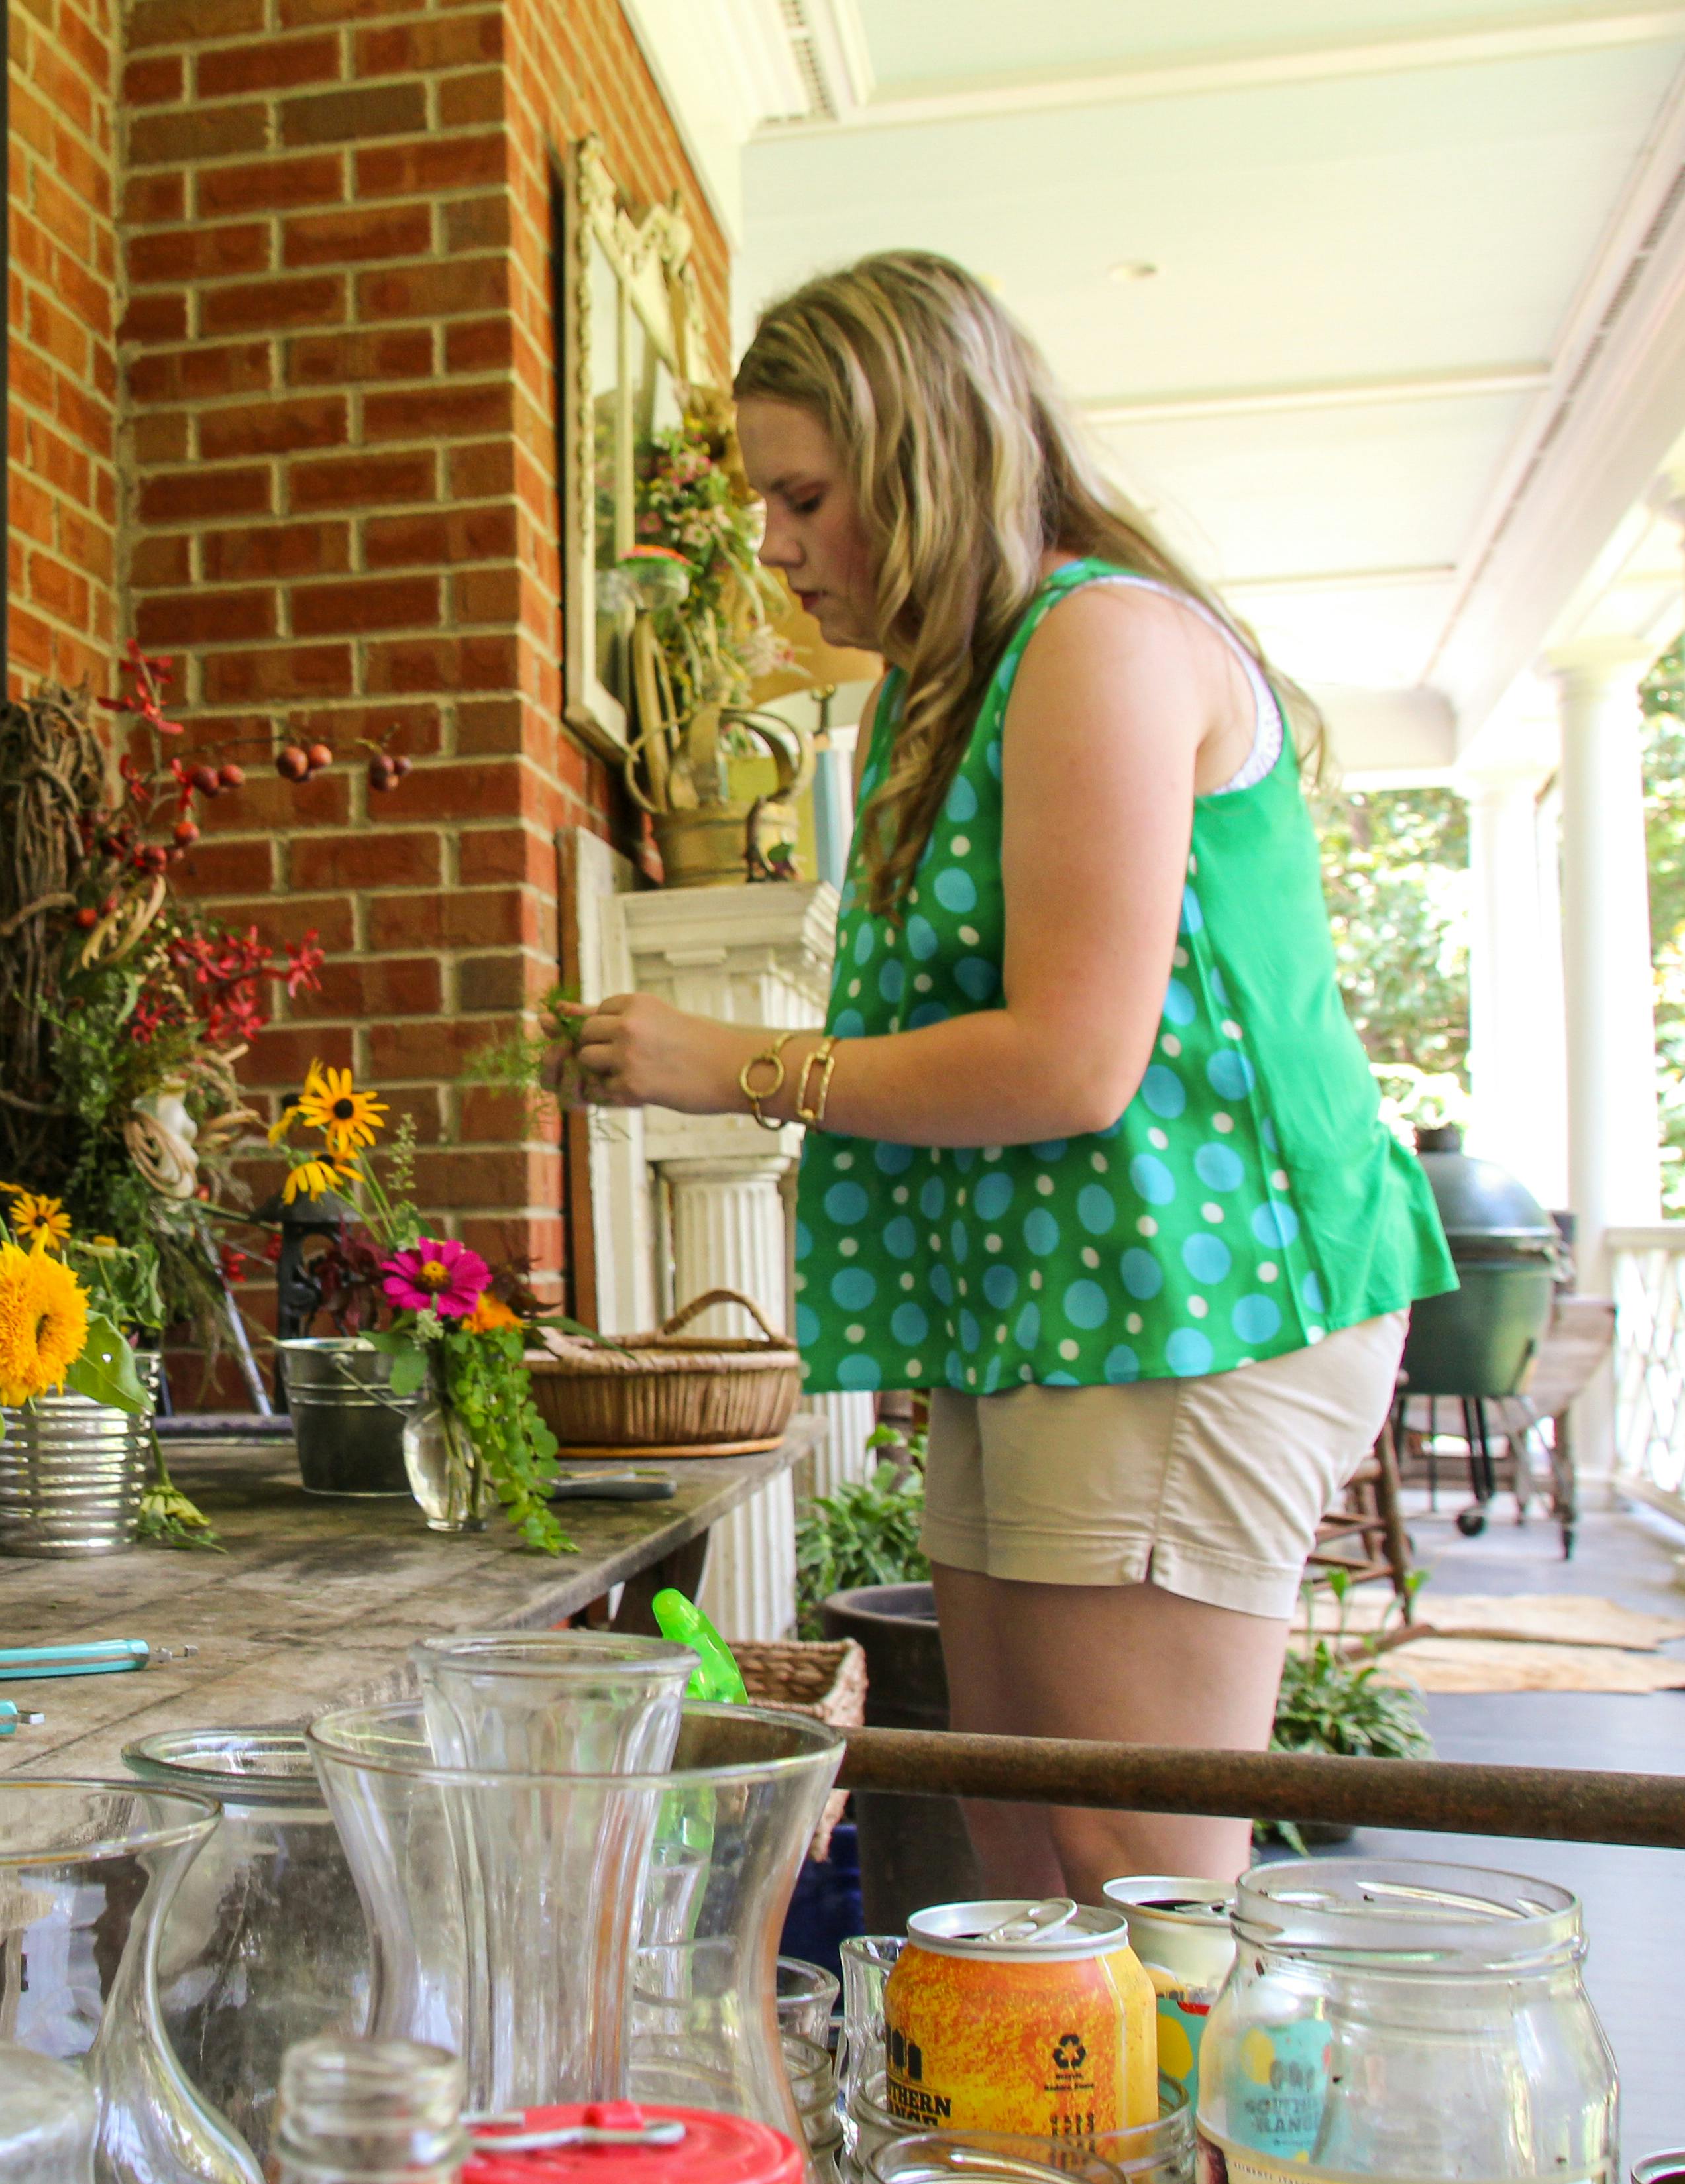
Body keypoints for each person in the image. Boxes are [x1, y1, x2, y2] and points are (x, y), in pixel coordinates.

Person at [575, 252, 1453, 1898]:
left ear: (925, 457)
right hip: (1072, 1307)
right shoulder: (947, 690)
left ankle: (1206, 2168)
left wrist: (729, 1064)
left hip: (1197, 1308)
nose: (774, 545)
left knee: (1139, 1865)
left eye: (804, 495)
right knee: (1016, 1831)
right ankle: (1058, 2158)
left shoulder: (1098, 644)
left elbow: (1073, 1062)